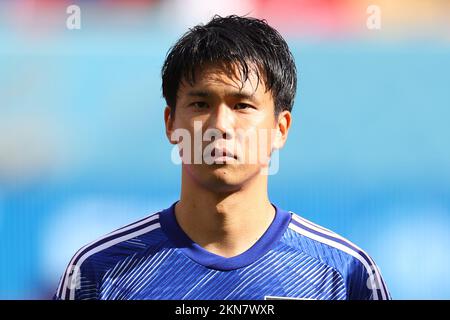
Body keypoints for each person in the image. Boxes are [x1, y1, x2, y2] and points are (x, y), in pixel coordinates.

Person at [54, 15, 390, 300]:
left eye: (242, 105)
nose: (220, 126)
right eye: (201, 105)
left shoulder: (345, 276)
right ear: (171, 123)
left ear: (280, 128)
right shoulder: (98, 273)